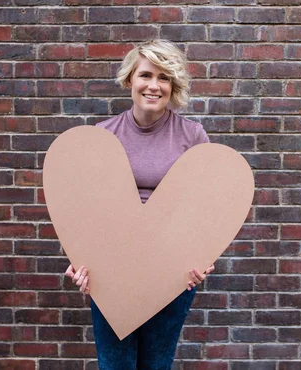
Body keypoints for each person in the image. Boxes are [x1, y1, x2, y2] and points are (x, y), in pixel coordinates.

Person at [64, 39, 215, 370]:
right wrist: (79, 259)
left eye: (164, 78)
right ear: (130, 79)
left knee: (156, 365)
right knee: (115, 366)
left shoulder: (192, 136)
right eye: (146, 75)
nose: (154, 86)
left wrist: (202, 257)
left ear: (173, 86)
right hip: (112, 272)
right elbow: (84, 210)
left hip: (170, 274)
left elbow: (206, 207)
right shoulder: (103, 136)